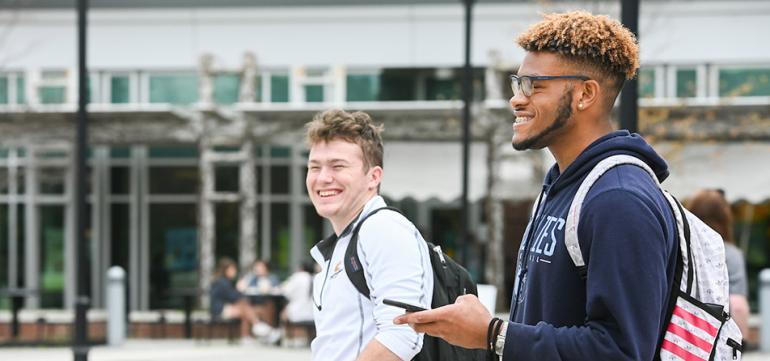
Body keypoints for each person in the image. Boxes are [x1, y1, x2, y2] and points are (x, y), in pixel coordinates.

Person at [395, 10, 679, 360]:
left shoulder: (618, 200)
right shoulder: (564, 186)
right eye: (517, 84)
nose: (517, 98)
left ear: (585, 94)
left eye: (534, 85)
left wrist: (493, 334)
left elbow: (620, 352)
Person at [305, 109, 434, 361]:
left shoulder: (383, 229)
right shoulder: (344, 243)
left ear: (373, 177)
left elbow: (401, 335)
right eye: (314, 167)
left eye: (337, 166)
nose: (323, 178)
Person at [687, 189, 751, 341]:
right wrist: (741, 343)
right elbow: (737, 306)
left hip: (679, 337)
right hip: (717, 341)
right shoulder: (729, 254)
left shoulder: (680, 248)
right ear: (726, 219)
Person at [209, 257, 279, 343]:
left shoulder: (224, 281)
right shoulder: (222, 282)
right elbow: (234, 297)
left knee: (246, 308)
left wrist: (240, 291)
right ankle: (260, 327)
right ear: (226, 270)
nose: (235, 271)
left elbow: (235, 297)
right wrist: (240, 289)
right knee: (244, 306)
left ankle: (250, 334)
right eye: (233, 269)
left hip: (227, 307)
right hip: (219, 310)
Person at [279, 260, 316, 346]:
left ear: (301, 268)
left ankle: (289, 338)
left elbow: (286, 292)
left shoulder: (299, 277)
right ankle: (302, 338)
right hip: (314, 313)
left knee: (284, 313)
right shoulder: (317, 277)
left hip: (297, 312)